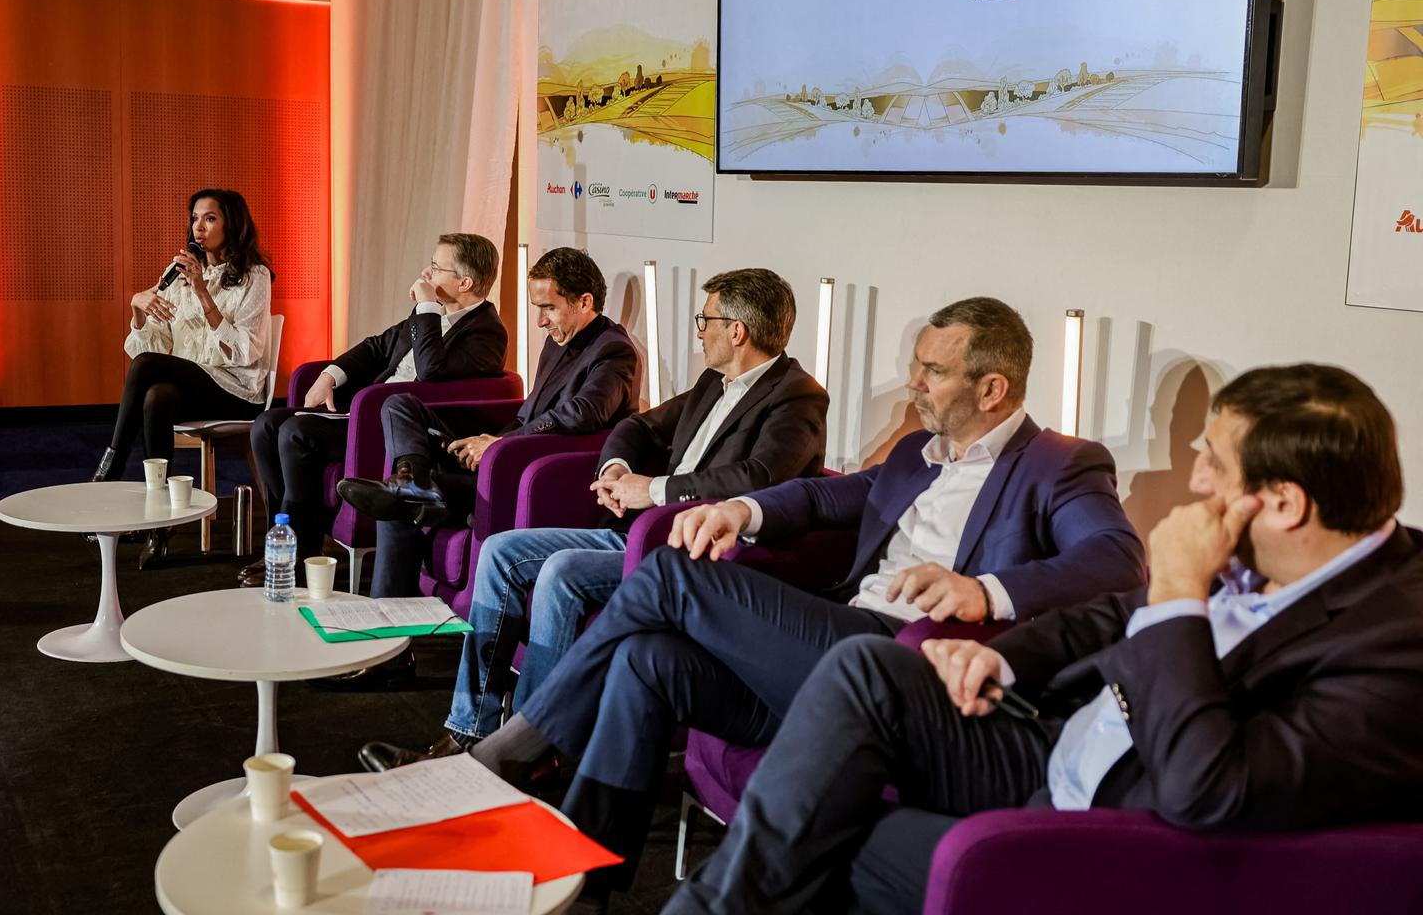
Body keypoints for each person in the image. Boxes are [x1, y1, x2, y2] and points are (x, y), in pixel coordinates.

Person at [663, 363, 1423, 915]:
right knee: (867, 669)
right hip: (1054, 740)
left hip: (1116, 832)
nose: (1194, 483)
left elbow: (1210, 790)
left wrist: (1181, 593)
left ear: (1285, 502)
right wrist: (1000, 652)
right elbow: (1112, 614)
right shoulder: (1275, 551)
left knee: (819, 843)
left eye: (1213, 465)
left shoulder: (1396, 646)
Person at [465, 296, 1148, 901]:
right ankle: (585, 875)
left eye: (933, 372)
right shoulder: (917, 453)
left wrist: (983, 590)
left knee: (673, 574)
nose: (915, 383)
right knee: (649, 658)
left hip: (899, 668)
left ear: (993, 388)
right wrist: (740, 510)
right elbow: (825, 494)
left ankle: (519, 746)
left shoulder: (1061, 463)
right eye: (917, 365)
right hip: (833, 642)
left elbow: (1117, 560)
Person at [358, 268, 830, 771]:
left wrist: (650, 489)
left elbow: (757, 478)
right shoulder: (714, 382)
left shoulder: (798, 396)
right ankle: (470, 727)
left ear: (736, 330)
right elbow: (638, 425)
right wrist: (617, 467)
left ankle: (529, 750)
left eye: (706, 319)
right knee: (501, 551)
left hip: (695, 556)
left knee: (561, 572)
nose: (700, 331)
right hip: (638, 534)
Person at [337, 246, 640, 600]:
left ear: (585, 302)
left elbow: (582, 414)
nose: (540, 321)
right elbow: (532, 410)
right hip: (505, 447)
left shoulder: (614, 351)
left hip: (522, 472)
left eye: (548, 308)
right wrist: (491, 438)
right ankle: (413, 478)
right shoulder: (560, 337)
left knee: (397, 504)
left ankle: (390, 604)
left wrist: (497, 445)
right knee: (400, 405)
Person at [239, 233, 508, 586]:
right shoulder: (431, 315)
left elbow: (431, 371)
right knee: (266, 426)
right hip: (364, 413)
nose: (426, 274)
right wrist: (329, 376)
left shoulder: (486, 333)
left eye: (436, 267)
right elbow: (377, 347)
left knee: (296, 433)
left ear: (465, 282)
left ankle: (299, 553)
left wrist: (427, 307)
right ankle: (283, 539)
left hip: (393, 431)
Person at [94, 188, 273, 568]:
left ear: (232, 224)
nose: (199, 226)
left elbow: (245, 352)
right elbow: (149, 348)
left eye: (210, 218)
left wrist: (204, 293)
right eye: (195, 217)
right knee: (156, 395)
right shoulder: (177, 272)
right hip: (191, 383)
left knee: (149, 373)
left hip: (235, 388)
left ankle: (108, 472)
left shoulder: (254, 277)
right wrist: (138, 310)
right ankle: (159, 527)